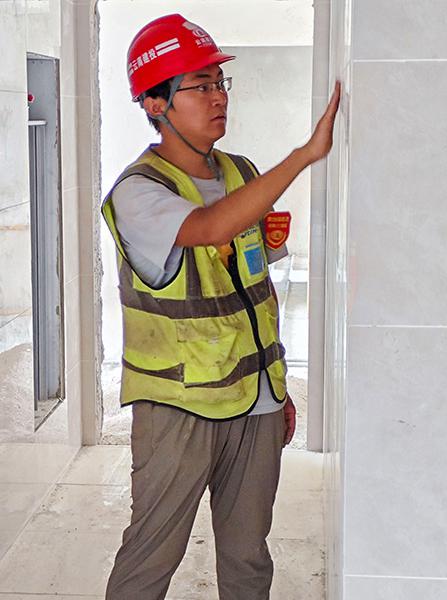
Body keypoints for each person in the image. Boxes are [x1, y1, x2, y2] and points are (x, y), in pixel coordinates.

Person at [102, 13, 340, 600]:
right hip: (177, 407)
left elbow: (254, 284)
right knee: (151, 557)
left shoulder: (241, 173)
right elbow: (208, 229)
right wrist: (304, 155)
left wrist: (274, 388)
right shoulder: (138, 191)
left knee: (248, 556)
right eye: (200, 86)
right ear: (155, 104)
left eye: (219, 83)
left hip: (254, 399)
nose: (218, 97)